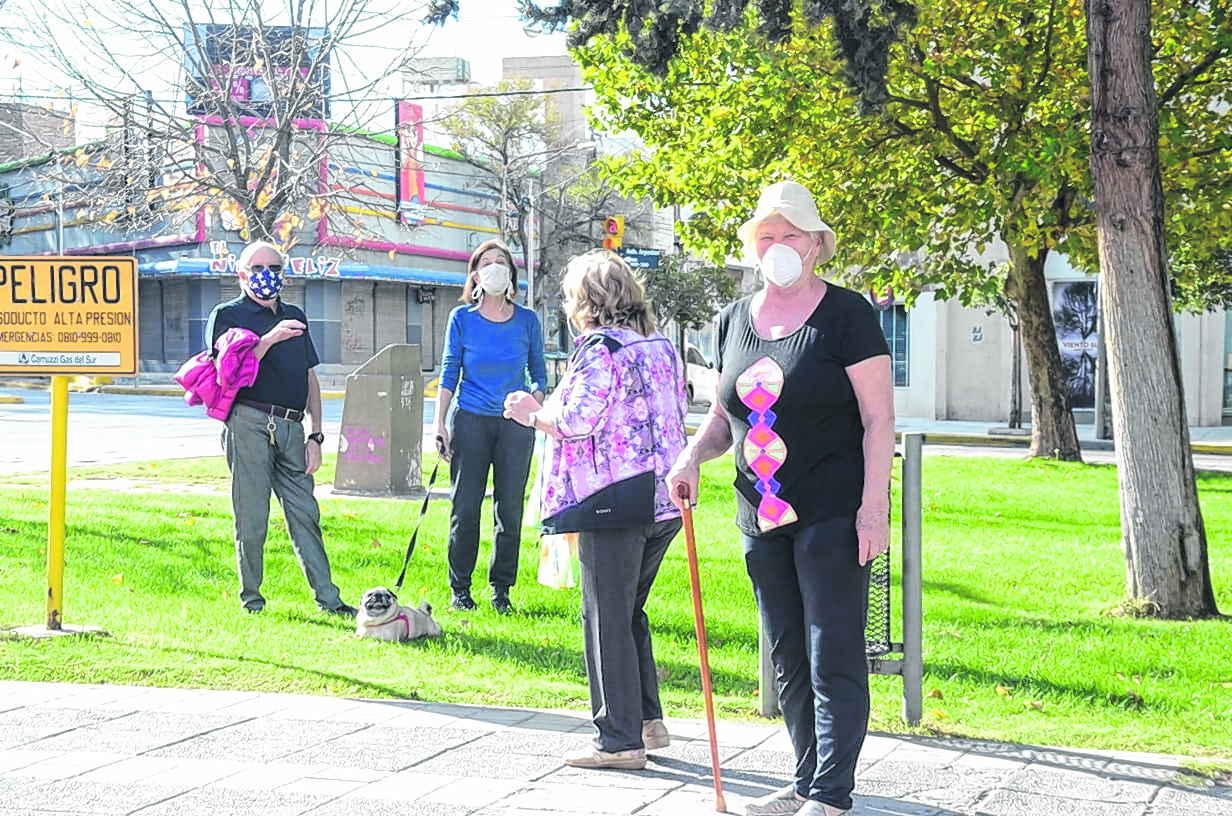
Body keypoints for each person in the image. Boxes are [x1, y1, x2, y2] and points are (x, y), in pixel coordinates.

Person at [666, 181, 895, 816]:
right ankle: (802, 781)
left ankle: (831, 794)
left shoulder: (847, 315)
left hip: (831, 510)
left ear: (817, 245)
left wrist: (872, 509)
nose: (777, 247)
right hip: (760, 515)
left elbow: (879, 419)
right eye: (766, 236)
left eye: (790, 234)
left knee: (832, 650)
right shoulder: (732, 320)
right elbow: (723, 415)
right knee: (788, 652)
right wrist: (690, 456)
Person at [503, 250, 688, 771]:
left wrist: (531, 414)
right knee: (629, 611)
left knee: (605, 616)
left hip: (611, 496)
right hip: (663, 497)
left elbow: (580, 418)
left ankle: (618, 739)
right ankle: (648, 722)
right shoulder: (659, 346)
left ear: (585, 302)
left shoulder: (599, 348)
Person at [203, 240, 356, 618]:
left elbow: (310, 378)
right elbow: (229, 375)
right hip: (248, 422)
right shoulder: (227, 315)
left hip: (291, 427)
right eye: (257, 268)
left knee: (306, 514)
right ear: (242, 274)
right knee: (252, 516)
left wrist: (317, 435)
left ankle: (329, 600)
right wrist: (268, 339)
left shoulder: (295, 315)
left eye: (273, 267)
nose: (265, 275)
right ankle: (251, 600)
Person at [435, 239, 547, 614]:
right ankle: (460, 589)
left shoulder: (527, 320)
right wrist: (440, 423)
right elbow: (450, 369)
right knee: (465, 507)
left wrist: (535, 403)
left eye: (502, 262)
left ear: (511, 275)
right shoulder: (462, 318)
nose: (495, 267)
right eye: (487, 262)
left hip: (515, 424)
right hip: (470, 420)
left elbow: (537, 371)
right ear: (475, 273)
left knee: (509, 509)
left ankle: (501, 590)